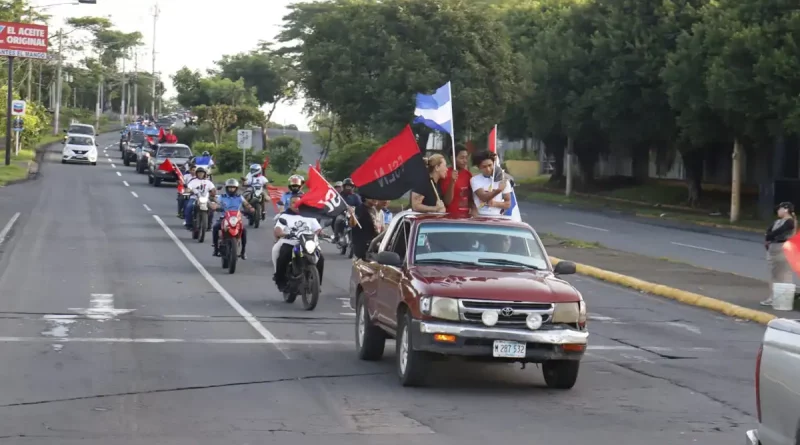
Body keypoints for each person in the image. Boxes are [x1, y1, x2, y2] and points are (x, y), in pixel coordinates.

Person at [273, 194, 325, 291]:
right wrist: (282, 233)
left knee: (321, 259)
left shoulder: (310, 216)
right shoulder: (285, 215)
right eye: (293, 202)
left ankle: (317, 285)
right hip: (291, 242)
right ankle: (280, 281)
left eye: (298, 202)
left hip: (308, 242)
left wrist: (320, 233)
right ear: (290, 204)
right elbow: (278, 228)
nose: (296, 205)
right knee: (283, 255)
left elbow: (318, 229)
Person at [763, 202, 797, 306]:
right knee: (775, 274)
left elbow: (777, 232)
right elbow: (769, 231)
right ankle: (775, 297)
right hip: (774, 248)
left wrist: (770, 237)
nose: (778, 211)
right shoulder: (778, 221)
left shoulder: (790, 222)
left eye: (779, 209)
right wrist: (768, 237)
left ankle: (779, 299)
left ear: (786, 209)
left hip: (781, 249)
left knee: (782, 275)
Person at [212, 179, 253, 259]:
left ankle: (243, 251)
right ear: (227, 188)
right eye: (230, 188)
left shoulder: (239, 197)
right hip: (224, 218)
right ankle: (216, 248)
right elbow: (216, 203)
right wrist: (215, 207)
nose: (231, 189)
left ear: (236, 188)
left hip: (236, 219)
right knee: (215, 227)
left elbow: (246, 204)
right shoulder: (222, 197)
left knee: (244, 231)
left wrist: (250, 208)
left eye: (233, 188)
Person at [469, 150, 511, 216]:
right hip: (479, 217)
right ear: (478, 167)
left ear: (494, 164)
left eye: (490, 165)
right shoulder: (475, 180)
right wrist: (498, 190)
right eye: (484, 167)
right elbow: (483, 197)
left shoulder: (503, 180)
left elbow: (508, 204)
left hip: (497, 219)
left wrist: (495, 204)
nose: (488, 169)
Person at [439, 144, 473, 217]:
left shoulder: (468, 175)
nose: (465, 161)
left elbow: (470, 199)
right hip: (450, 217)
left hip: (465, 218)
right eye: (462, 158)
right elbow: (447, 201)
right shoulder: (445, 174)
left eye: (466, 158)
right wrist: (452, 182)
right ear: (452, 159)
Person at [332, 178, 362, 242]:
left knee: (360, 222)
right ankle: (336, 236)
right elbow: (336, 204)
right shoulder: (340, 196)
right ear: (344, 187)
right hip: (343, 214)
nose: (348, 188)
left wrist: (355, 209)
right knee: (338, 220)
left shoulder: (356, 196)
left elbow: (360, 206)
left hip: (353, 215)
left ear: (352, 187)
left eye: (349, 186)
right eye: (347, 186)